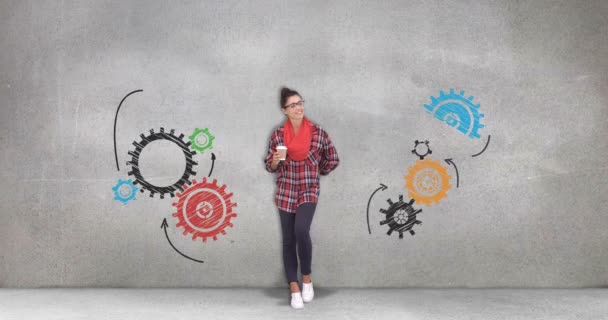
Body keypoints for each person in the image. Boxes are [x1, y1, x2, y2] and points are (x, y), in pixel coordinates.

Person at [264, 87, 340, 309]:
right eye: (293, 105)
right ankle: (294, 287)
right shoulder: (278, 135)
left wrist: (318, 170)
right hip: (286, 190)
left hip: (308, 189)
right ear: (284, 110)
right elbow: (270, 166)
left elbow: (332, 158)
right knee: (288, 239)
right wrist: (277, 160)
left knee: (301, 230)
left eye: (300, 103)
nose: (298, 107)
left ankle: (306, 278)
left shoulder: (318, 133)